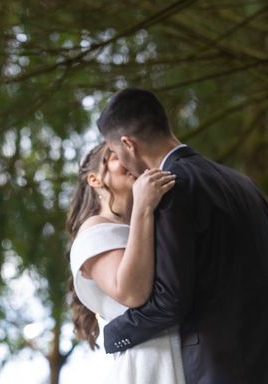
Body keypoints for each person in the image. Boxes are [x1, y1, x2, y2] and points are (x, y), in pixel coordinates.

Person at [96, 88, 268, 384]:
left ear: (128, 144)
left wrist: (112, 334)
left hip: (226, 367)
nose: (121, 163)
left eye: (116, 152)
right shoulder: (243, 184)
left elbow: (170, 300)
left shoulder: (170, 190)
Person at [67, 143, 185, 383]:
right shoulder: (94, 230)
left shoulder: (142, 226)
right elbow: (132, 293)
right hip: (149, 366)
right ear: (95, 179)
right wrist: (143, 206)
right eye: (115, 157)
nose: (129, 160)